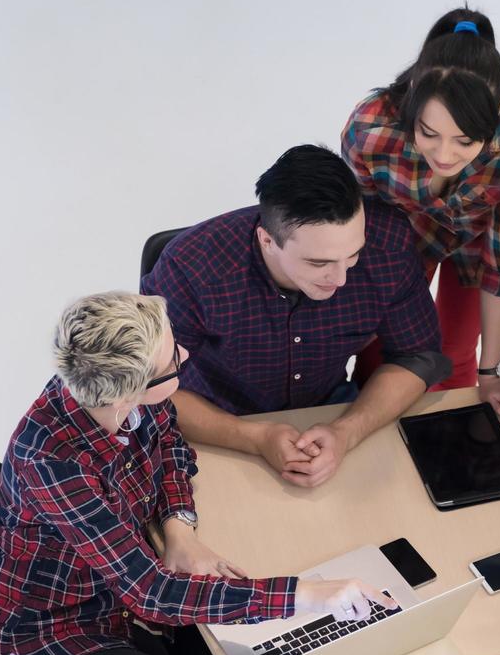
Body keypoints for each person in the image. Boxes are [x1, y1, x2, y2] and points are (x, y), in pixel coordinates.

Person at [0, 291, 395, 655]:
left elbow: (169, 443)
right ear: (128, 392)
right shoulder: (52, 462)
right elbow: (154, 593)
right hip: (40, 645)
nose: (187, 357)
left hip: (109, 612)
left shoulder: (112, 393)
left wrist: (179, 528)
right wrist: (309, 594)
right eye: (173, 360)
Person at [140, 144, 450, 489]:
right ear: (267, 241)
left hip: (330, 408)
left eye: (353, 254)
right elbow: (149, 387)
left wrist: (347, 431)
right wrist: (253, 437)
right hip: (214, 418)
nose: (341, 278)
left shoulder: (388, 241)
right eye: (318, 263)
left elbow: (418, 356)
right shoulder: (191, 265)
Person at [342, 7, 500, 422]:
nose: (444, 155)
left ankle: (449, 442)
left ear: (499, 112)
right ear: (411, 109)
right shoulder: (369, 131)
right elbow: (363, 242)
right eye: (429, 134)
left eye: (465, 140)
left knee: (455, 355)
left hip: (481, 238)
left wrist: (492, 372)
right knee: (381, 353)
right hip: (398, 237)